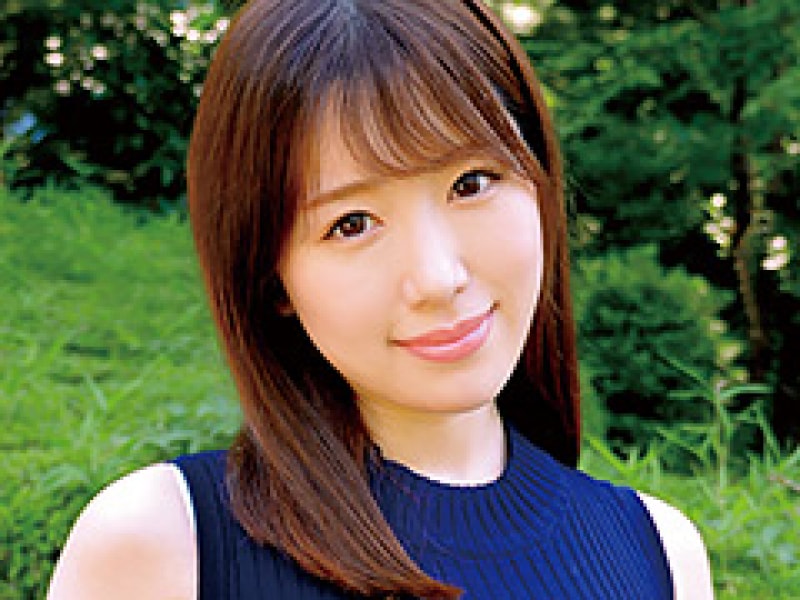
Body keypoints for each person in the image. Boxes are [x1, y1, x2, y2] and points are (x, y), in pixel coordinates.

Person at [47, 1, 714, 598]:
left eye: (472, 182)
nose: (438, 277)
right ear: (270, 278)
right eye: (351, 224)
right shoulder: (163, 548)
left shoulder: (660, 554)